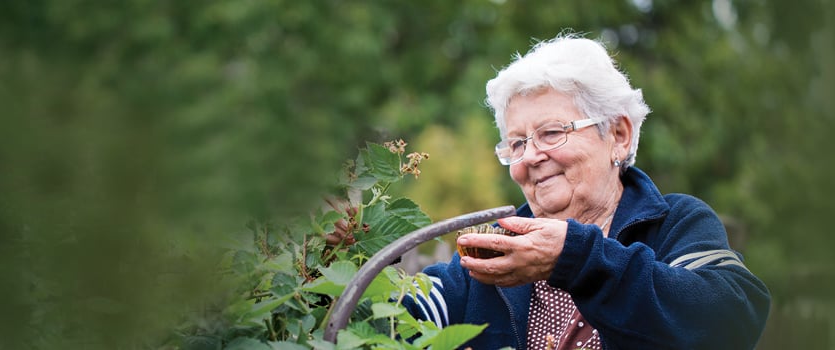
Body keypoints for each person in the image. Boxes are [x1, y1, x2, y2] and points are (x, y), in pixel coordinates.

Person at [329, 34, 770, 349]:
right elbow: (384, 321)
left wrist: (576, 259)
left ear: (617, 134)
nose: (530, 157)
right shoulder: (491, 257)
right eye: (517, 143)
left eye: (552, 132)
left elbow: (731, 320)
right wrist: (337, 261)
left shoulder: (676, 225)